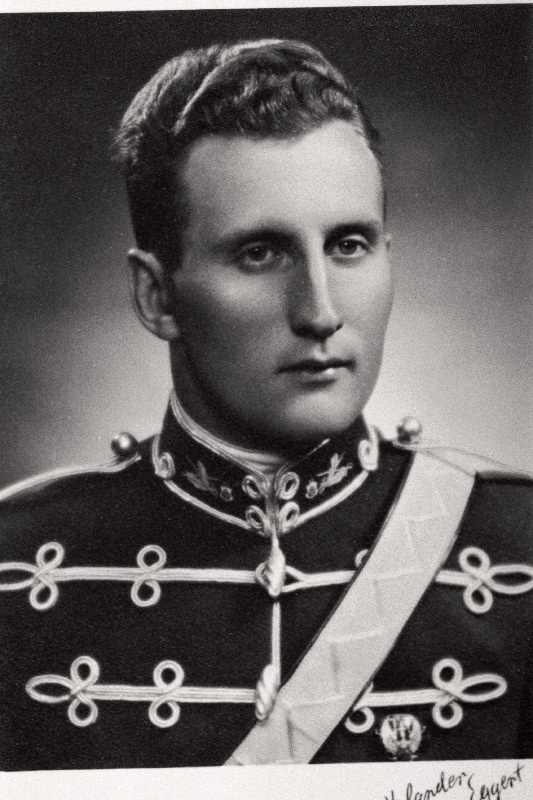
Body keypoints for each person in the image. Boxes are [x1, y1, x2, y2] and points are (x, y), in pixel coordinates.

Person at [0, 38, 531, 770]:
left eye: (348, 245)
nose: (320, 312)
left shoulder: (519, 546)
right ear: (157, 297)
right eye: (260, 253)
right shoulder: (17, 562)